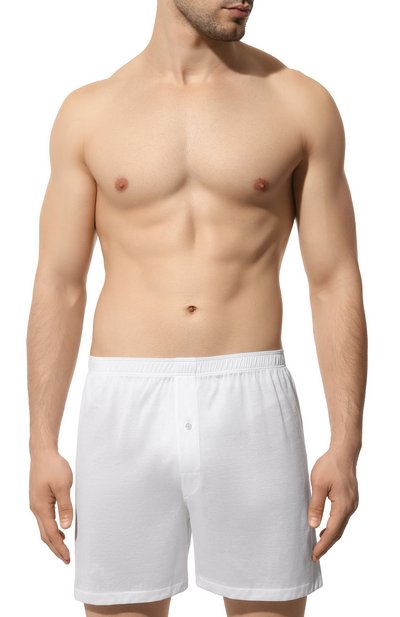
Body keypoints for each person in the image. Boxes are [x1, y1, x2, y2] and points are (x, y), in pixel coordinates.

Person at [27, 1, 367, 616]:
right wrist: (40, 444)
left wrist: (346, 444)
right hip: (124, 403)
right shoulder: (90, 113)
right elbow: (60, 284)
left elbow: (334, 280)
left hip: (251, 400)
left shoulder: (298, 104)